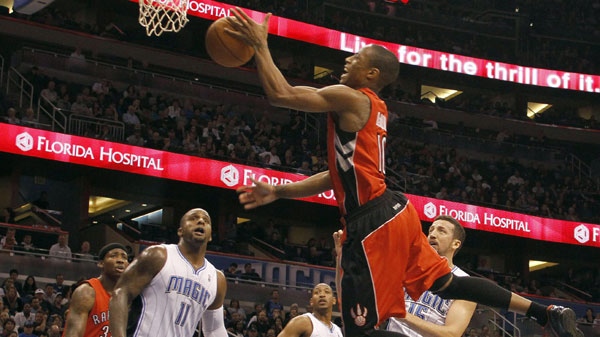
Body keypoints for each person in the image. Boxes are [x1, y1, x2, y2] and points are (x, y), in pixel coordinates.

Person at [227, 8, 582, 337]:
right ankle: (542, 311)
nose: (348, 59)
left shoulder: (353, 97)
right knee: (448, 284)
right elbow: (334, 174)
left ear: (372, 73)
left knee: (362, 328)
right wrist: (280, 191)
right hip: (396, 212)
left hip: (372, 224)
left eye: (357, 57)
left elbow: (280, 93)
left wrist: (261, 45)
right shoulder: (369, 106)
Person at [109, 208, 228, 337]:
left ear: (210, 236)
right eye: (193, 218)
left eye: (206, 220)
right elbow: (121, 293)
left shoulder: (217, 279)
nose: (200, 221)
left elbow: (214, 330)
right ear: (180, 231)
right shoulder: (158, 255)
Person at [384, 215, 476, 337]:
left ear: (455, 244)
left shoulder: (465, 282)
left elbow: (452, 334)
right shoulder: (407, 266)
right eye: (431, 230)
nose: (432, 235)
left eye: (441, 231)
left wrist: (403, 315)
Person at [61, 243, 129, 337]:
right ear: (101, 263)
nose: (120, 260)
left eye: (124, 257)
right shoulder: (87, 292)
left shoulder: (129, 297)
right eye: (114, 256)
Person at [276, 283, 342, 337]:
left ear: (334, 300)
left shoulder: (338, 331)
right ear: (311, 301)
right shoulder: (302, 322)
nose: (322, 295)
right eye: (317, 292)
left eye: (327, 292)